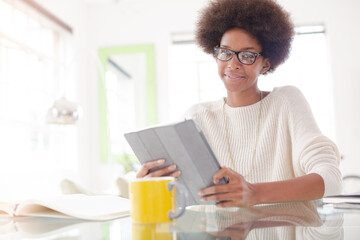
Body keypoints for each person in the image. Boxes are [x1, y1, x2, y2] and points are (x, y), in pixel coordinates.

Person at [136, 0, 342, 207]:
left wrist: (254, 193)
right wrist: (154, 187)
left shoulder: (286, 102)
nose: (233, 65)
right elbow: (188, 203)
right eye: (225, 53)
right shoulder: (197, 116)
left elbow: (331, 179)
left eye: (247, 55)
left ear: (265, 64)